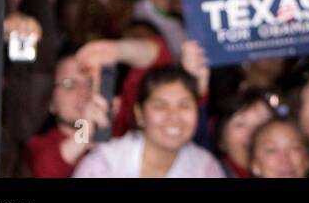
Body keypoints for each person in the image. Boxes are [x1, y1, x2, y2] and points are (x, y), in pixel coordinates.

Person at [73, 65, 224, 178]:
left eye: (184, 105)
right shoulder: (105, 164)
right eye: (160, 106)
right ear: (139, 114)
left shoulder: (206, 169)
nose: (174, 116)